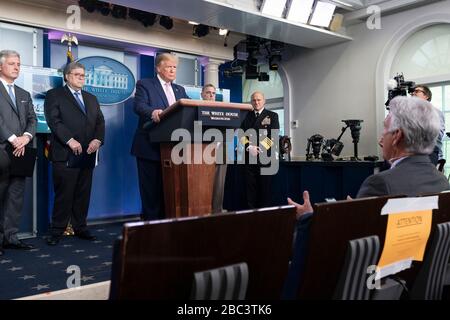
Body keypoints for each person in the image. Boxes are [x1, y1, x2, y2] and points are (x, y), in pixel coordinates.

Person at [283, 96, 450, 299]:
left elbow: (346, 248)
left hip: (375, 285)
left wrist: (310, 218)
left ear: (396, 136)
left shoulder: (380, 184)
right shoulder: (441, 182)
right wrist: (359, 213)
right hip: (413, 284)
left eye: (385, 130)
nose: (381, 139)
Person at [44, 61, 105, 245]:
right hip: (65, 152)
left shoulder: (91, 98)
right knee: (64, 193)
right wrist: (70, 140)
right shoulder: (54, 95)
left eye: (83, 75)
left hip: (87, 153)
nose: (81, 78)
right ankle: (57, 230)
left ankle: (80, 227)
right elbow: (54, 121)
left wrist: (98, 139)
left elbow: (100, 122)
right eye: (77, 75)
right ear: (67, 76)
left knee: (82, 193)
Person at [131, 53, 189, 220]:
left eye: (175, 67)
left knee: (169, 190)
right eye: (169, 66)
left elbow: (190, 108)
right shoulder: (145, 84)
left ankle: (166, 224)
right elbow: (139, 106)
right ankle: (151, 227)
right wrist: (153, 112)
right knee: (151, 190)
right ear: (158, 68)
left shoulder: (180, 90)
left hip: (173, 149)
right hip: (149, 147)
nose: (173, 70)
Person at [0, 50, 37, 256]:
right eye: (12, 63)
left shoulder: (24, 94)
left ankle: (11, 238)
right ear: (1, 66)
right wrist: (14, 139)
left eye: (19, 64)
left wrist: (26, 137)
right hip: (3, 149)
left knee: (16, 196)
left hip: (23, 151)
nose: (16, 67)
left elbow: (32, 120)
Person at [241, 91, 279, 209]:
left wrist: (260, 149)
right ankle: (251, 217)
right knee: (250, 192)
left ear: (264, 101)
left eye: (259, 100)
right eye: (254, 100)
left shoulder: (272, 115)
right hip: (249, 160)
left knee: (265, 192)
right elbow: (240, 135)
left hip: (265, 159)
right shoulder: (246, 116)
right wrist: (249, 147)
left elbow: (273, 136)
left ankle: (264, 219)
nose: (256, 102)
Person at [201, 84, 227, 213]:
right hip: (200, 152)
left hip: (220, 150)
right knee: (202, 185)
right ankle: (202, 211)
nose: (211, 95)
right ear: (202, 94)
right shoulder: (195, 109)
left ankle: (216, 211)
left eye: (213, 93)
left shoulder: (223, 109)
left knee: (219, 185)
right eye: (208, 93)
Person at [411, 85, 445, 166]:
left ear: (426, 96)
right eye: (412, 92)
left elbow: (438, 134)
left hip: (429, 151)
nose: (413, 93)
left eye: (417, 91)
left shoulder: (435, 112)